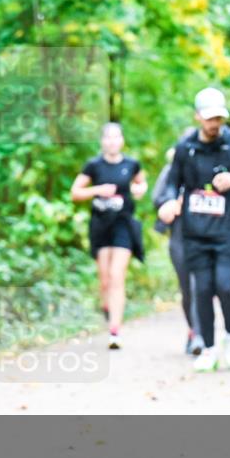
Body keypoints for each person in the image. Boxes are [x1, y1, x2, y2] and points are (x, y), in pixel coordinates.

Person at [157, 88, 230, 372]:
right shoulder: (186, 148)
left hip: (229, 231)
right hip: (195, 232)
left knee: (226, 286)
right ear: (198, 118)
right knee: (202, 290)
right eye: (209, 118)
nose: (215, 124)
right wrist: (169, 202)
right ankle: (208, 347)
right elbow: (172, 182)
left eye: (219, 118)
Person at [71, 122, 147, 349]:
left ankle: (115, 331)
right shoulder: (93, 165)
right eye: (108, 138)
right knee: (104, 280)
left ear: (122, 140)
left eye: (116, 137)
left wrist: (139, 189)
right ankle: (108, 309)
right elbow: (75, 192)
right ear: (102, 142)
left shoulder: (131, 164)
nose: (112, 142)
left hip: (123, 224)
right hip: (101, 225)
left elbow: (141, 183)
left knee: (117, 276)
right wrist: (97, 190)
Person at [153, 143, 202, 355]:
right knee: (187, 288)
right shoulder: (171, 170)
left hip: (206, 235)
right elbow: (158, 198)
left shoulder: (212, 168)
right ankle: (193, 330)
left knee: (199, 286)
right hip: (180, 235)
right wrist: (173, 203)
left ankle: (201, 335)